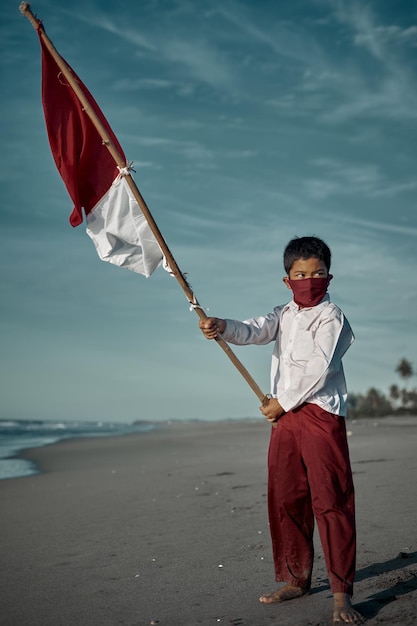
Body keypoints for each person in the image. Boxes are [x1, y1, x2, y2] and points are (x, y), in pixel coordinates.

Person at [199, 236, 364, 625]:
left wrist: (282, 401)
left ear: (330, 276)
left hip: (320, 416)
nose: (309, 280)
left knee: (331, 501)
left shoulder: (332, 317)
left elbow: (319, 367)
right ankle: (296, 578)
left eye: (317, 273)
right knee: (287, 497)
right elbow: (254, 330)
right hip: (285, 421)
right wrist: (221, 326)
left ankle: (342, 593)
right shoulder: (283, 313)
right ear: (287, 280)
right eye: (300, 274)